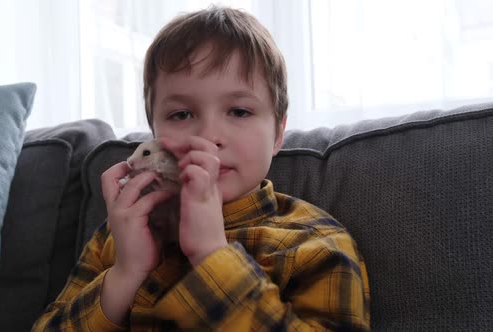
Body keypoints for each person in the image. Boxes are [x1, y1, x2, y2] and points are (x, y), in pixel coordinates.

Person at [32, 6, 370, 331]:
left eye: (239, 111)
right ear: (156, 135)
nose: (208, 136)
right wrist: (126, 272)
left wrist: (212, 255)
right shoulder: (119, 233)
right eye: (181, 115)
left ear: (278, 133)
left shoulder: (313, 245)